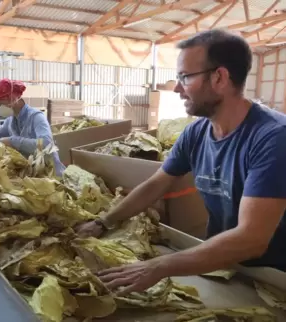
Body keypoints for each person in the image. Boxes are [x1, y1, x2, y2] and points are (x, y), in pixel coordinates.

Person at [76, 29, 286, 294]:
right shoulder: (196, 133)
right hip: (223, 265)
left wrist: (159, 266)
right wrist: (103, 222)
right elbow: (155, 186)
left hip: (273, 278)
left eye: (185, 77)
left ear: (219, 77)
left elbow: (251, 239)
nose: (177, 88)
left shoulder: (273, 138)